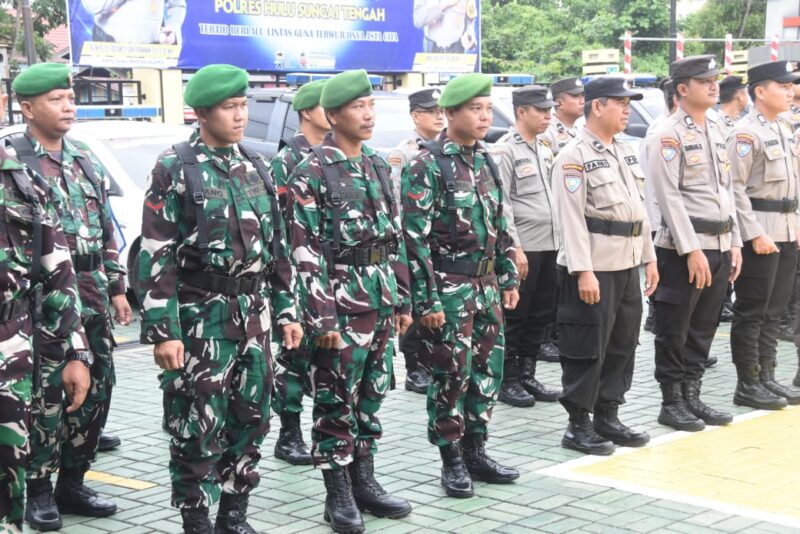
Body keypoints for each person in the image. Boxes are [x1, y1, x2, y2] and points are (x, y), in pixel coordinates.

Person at [138, 64, 302, 534]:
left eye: (243, 105)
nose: (240, 115)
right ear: (202, 113)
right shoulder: (177, 166)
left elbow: (278, 249)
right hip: (201, 318)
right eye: (230, 107)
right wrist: (164, 332)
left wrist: (286, 310)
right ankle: (197, 519)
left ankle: (234, 514)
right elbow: (157, 253)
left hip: (254, 316)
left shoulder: (256, 164)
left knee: (252, 417)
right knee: (197, 421)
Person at [288, 69, 413, 533]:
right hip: (339, 306)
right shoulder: (312, 171)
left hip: (378, 300)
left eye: (371, 106)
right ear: (333, 115)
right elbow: (304, 251)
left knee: (371, 395)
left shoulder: (377, 164)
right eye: (358, 107)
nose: (368, 114)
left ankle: (365, 482)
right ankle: (337, 494)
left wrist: (402, 300)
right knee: (335, 400)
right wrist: (322, 318)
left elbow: (394, 238)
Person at [8, 62, 131, 531]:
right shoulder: (15, 162)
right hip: (44, 302)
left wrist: (117, 287)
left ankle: (73, 482)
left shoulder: (84, 158)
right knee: (47, 396)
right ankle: (38, 489)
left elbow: (106, 230)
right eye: (56, 99)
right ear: (27, 108)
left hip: (91, 293)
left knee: (97, 389)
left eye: (71, 98)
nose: (68, 106)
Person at [402, 73, 520, 498]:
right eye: (475, 109)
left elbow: (499, 224)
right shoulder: (426, 165)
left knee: (487, 370)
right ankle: (451, 459)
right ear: (449, 114)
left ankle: (476, 450)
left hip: (486, 286)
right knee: (451, 374)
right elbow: (413, 241)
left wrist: (506, 275)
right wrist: (427, 301)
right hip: (449, 289)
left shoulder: (486, 160)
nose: (485, 116)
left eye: (487, 108)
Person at [0, 81, 90, 533]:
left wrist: (74, 352)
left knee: (9, 469)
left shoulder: (20, 180)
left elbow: (59, 273)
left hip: (11, 346)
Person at [552, 77, 656, 456]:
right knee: (587, 347)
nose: (627, 109)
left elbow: (638, 211)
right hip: (594, 267)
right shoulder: (573, 157)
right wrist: (584, 271)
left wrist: (649, 258)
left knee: (622, 343)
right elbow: (570, 220)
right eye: (620, 103)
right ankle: (578, 424)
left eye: (629, 103)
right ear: (597, 106)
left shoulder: (626, 151)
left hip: (626, 263)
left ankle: (608, 415)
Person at [645, 55, 741, 432]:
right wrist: (691, 249)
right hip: (682, 250)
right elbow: (668, 196)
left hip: (719, 243)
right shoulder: (667, 134)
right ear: (683, 89)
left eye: (715, 79)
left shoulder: (716, 127)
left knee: (703, 327)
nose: (714, 85)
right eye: (704, 81)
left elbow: (726, 190)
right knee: (675, 328)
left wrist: (734, 242)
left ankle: (692, 395)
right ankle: (672, 402)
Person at [728, 60, 800, 410]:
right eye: (782, 86)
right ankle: (748, 382)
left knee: (774, 310)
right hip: (760, 231)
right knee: (752, 310)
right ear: (759, 91)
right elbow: (734, 188)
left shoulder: (783, 128)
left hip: (785, 229)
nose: (790, 91)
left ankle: (767, 376)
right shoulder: (745, 133)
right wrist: (753, 234)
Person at [269, 78, 329, 466]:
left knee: (330, 358)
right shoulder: (286, 161)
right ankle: (289, 432)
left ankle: (326, 430)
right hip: (296, 274)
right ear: (307, 112)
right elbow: (278, 226)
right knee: (294, 353)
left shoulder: (336, 155)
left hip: (334, 275)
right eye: (326, 105)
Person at [494, 85, 561, 408]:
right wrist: (515, 248)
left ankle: (527, 373)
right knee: (516, 315)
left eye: (549, 110)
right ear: (522, 112)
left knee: (541, 314)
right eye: (541, 110)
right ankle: (508, 379)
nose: (548, 116)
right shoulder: (505, 150)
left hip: (550, 244)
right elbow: (502, 204)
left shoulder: (545, 147)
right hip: (525, 247)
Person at [386, 87, 445, 395]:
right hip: (412, 240)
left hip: (440, 243)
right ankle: (414, 367)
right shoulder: (404, 153)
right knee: (413, 302)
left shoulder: (444, 149)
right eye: (431, 112)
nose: (439, 116)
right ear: (415, 116)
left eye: (441, 111)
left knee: (435, 302)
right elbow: (395, 202)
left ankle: (432, 361)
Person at [641, 77, 676, 334]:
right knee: (663, 273)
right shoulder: (661, 131)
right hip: (658, 215)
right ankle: (656, 317)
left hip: (664, 215)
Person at [82, 0, 187, 45]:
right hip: (108, 47)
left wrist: (172, 26)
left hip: (151, 52)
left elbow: (177, 5)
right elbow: (92, 5)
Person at [539, 77, 585, 157]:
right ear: (559, 103)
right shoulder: (546, 133)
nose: (583, 101)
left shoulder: (579, 130)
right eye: (576, 96)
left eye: (583, 96)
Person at [413, 0, 477, 53]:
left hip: (457, 50)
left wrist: (469, 33)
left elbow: (470, 17)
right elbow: (418, 20)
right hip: (432, 52)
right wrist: (444, 4)